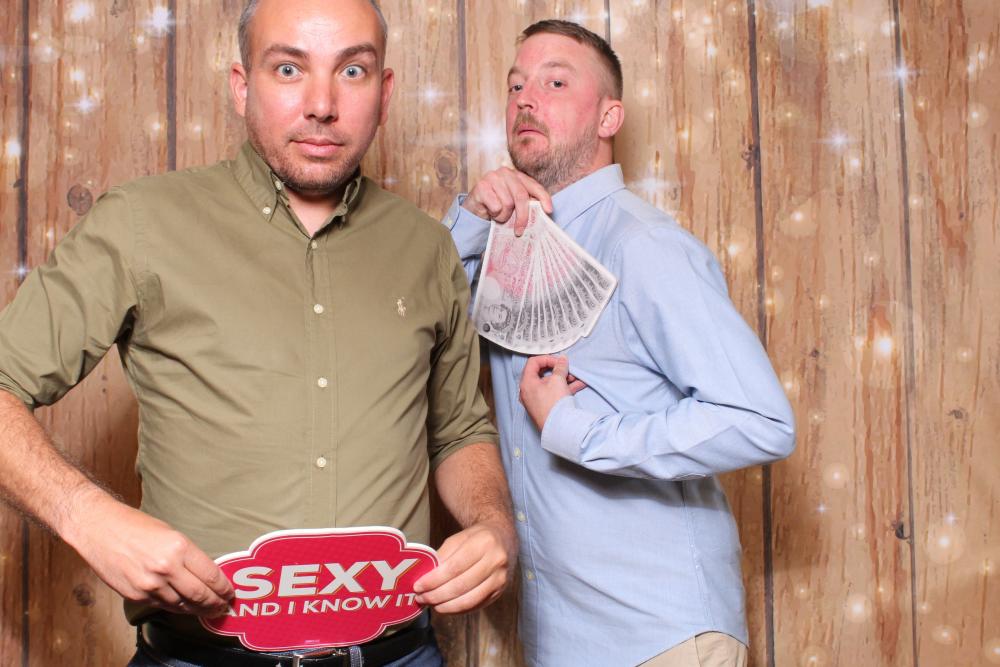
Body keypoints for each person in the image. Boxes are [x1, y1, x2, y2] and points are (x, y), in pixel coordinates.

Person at [0, 0, 516, 665]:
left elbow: (459, 430)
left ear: (384, 92)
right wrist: (86, 516)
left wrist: (494, 524)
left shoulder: (428, 249)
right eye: (289, 69)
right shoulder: (140, 223)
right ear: (242, 85)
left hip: (401, 653)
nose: (322, 105)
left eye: (352, 71)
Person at [444, 20, 796, 667]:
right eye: (517, 85)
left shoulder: (645, 246)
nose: (527, 99)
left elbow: (761, 420)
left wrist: (578, 431)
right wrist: (468, 220)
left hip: (660, 637)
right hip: (559, 640)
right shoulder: (497, 244)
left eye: (555, 83)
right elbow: (410, 330)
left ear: (610, 116)